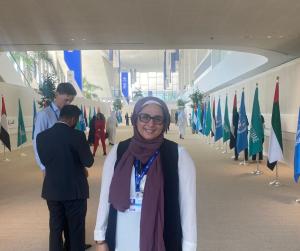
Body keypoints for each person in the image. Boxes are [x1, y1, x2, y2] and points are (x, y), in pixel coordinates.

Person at [94, 97, 197, 251]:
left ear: (165, 123)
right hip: (121, 235)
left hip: (162, 236)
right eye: (145, 117)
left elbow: (187, 206)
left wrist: (189, 247)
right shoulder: (119, 151)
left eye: (158, 119)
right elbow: (105, 196)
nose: (151, 123)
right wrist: (100, 238)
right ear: (136, 118)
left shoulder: (178, 155)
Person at [33, 82, 94, 250]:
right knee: (74, 224)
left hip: (53, 187)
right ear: (57, 94)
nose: (68, 103)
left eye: (70, 101)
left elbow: (42, 145)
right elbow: (37, 150)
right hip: (69, 184)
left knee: (56, 225)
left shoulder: (46, 135)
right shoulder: (44, 115)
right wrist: (44, 169)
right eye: (66, 99)